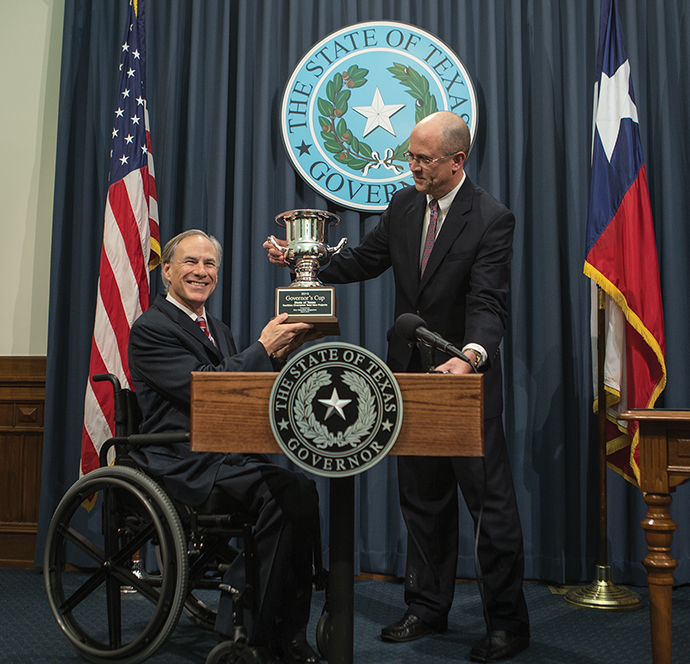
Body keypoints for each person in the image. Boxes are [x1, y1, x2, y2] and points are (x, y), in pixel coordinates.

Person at [264, 111, 529, 663]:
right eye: (409, 155)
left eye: (423, 159)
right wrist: (302, 261)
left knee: (489, 505)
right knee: (422, 499)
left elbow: (488, 302)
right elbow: (364, 260)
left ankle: (507, 623)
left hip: (462, 381)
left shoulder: (492, 218)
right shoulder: (405, 205)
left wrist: (471, 357)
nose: (411, 167)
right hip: (407, 375)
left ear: (457, 160)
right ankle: (427, 607)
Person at [129, 229, 322, 664]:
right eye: (191, 263)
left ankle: (290, 631)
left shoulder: (217, 327)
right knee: (287, 495)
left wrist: (280, 353)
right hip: (183, 458)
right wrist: (261, 348)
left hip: (228, 451)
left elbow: (244, 388)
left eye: (209, 264)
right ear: (169, 271)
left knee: (303, 492)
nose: (201, 272)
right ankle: (245, 628)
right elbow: (204, 388)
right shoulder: (151, 328)